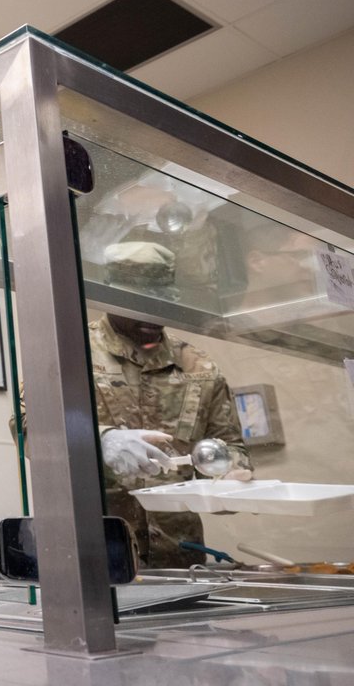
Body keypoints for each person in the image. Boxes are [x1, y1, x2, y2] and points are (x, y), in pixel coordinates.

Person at [92, 241, 252, 568]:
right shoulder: (72, 349)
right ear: (109, 296)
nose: (151, 313)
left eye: (161, 300)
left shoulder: (198, 367)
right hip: (96, 552)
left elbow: (232, 447)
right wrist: (101, 438)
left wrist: (229, 470)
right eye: (138, 301)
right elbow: (29, 428)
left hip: (179, 556)